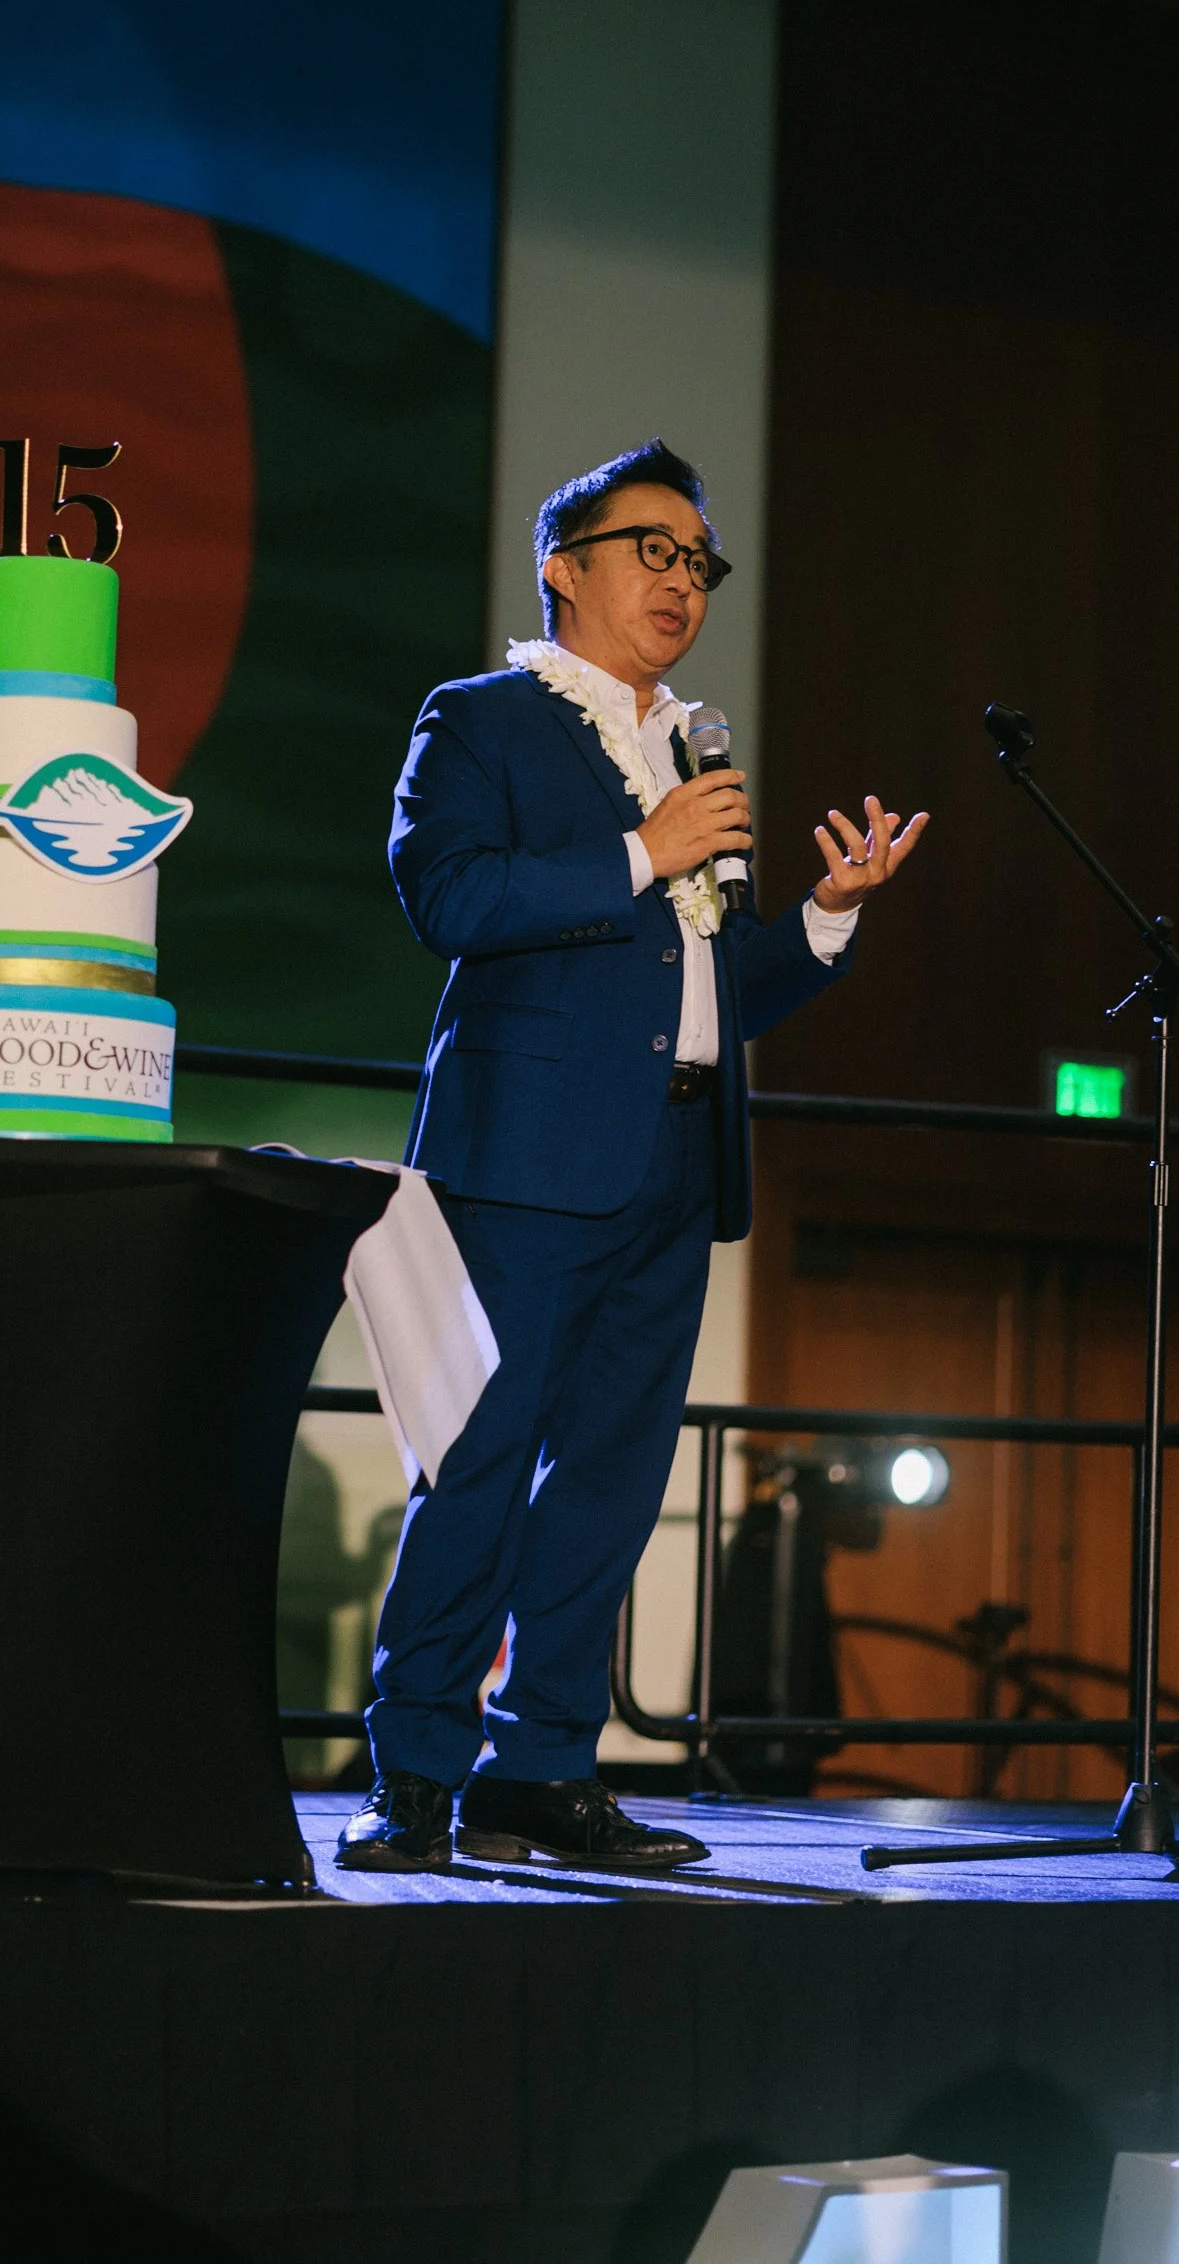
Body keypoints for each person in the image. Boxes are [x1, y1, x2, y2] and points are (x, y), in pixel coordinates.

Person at [337, 440, 927, 1873]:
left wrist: (824, 922)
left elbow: (705, 983)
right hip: (523, 1157)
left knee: (605, 1479)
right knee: (476, 1467)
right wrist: (639, 850)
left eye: (698, 563)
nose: (680, 583)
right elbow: (445, 894)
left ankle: (539, 1768)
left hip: (673, 1156)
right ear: (563, 564)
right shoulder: (480, 719)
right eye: (650, 550)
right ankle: (412, 1772)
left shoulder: (683, 750)